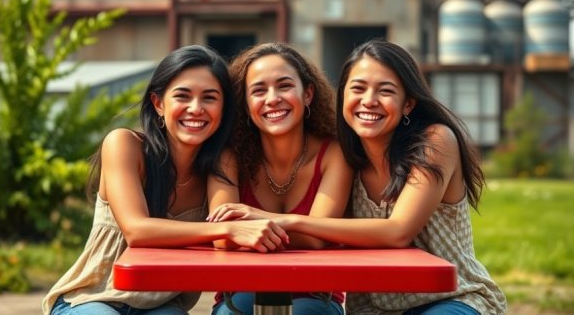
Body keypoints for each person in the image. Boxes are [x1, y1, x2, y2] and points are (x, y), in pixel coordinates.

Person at [226, 39, 507, 314]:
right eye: (358, 89)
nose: (369, 101)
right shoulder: (348, 156)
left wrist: (286, 220)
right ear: (343, 97)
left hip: (452, 297)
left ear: (408, 103)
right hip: (374, 307)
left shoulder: (434, 141)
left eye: (384, 91)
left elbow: (398, 231)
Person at [42, 45, 289, 315]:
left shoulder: (221, 163)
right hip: (92, 297)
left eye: (209, 98)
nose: (196, 109)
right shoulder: (125, 145)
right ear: (158, 104)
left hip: (161, 305)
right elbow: (137, 230)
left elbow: (224, 237)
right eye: (183, 96)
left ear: (224, 108)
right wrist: (228, 229)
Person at [207, 42, 353, 315]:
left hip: (315, 293)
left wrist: (252, 219)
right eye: (259, 90)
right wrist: (302, 228)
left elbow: (317, 239)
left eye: (284, 86)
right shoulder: (228, 157)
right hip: (239, 292)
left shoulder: (334, 153)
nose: (272, 98)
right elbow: (223, 237)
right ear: (245, 102)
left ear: (308, 94)